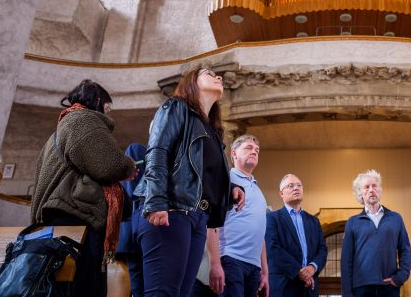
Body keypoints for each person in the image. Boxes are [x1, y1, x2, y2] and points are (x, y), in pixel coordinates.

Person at [134, 67, 244, 297]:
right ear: (191, 83)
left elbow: (197, 173)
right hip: (170, 210)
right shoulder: (176, 107)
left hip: (196, 219)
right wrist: (156, 201)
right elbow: (157, 152)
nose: (219, 77)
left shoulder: (212, 131)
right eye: (209, 73)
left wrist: (231, 189)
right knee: (162, 294)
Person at [32, 79, 136, 297]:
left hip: (58, 219)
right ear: (98, 101)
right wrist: (129, 167)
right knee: (85, 287)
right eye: (108, 107)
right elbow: (109, 165)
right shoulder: (82, 120)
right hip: (76, 218)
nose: (109, 114)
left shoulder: (61, 129)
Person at [202, 134, 269, 297]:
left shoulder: (259, 191)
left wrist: (265, 271)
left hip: (253, 266)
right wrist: (215, 263)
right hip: (230, 258)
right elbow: (211, 223)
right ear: (233, 154)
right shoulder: (226, 181)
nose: (254, 152)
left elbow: (260, 234)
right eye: (248, 148)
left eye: (257, 150)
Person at [341, 170, 411, 297]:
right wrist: (347, 293)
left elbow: (405, 250)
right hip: (360, 288)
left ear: (380, 190)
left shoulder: (396, 218)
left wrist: (401, 276)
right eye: (366, 187)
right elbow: (346, 260)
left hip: (389, 287)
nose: (371, 190)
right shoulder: (352, 222)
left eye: (375, 186)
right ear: (360, 193)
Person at [266, 174, 328, 297]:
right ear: (281, 193)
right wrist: (298, 271)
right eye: (291, 186)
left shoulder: (314, 221)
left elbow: (322, 249)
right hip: (284, 286)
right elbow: (272, 248)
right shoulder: (272, 218)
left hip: (309, 288)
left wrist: (312, 267)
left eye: (299, 185)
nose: (296, 188)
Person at [117, 143, 147, 297]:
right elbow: (134, 190)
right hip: (137, 229)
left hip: (135, 231)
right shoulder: (137, 150)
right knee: (142, 287)